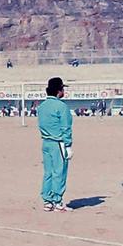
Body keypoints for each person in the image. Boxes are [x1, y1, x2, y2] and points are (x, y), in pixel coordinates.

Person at [37, 76, 74, 212]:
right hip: (58, 142)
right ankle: (57, 201)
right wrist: (68, 145)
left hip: (46, 142)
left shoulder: (41, 106)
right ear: (59, 91)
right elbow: (66, 127)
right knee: (59, 172)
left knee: (48, 172)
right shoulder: (61, 106)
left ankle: (47, 201)